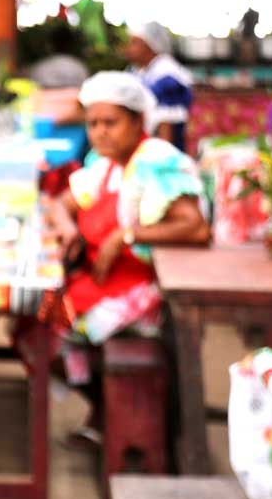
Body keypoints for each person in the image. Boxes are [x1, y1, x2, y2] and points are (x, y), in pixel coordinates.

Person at [31, 71, 209, 444]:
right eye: (93, 123)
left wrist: (127, 235)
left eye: (110, 122)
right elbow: (60, 203)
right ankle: (106, 411)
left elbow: (195, 227)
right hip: (100, 282)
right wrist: (69, 228)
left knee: (54, 328)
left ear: (138, 121)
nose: (100, 132)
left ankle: (111, 416)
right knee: (33, 326)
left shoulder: (157, 161)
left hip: (142, 287)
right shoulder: (104, 164)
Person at [124, 22, 194, 152]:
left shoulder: (167, 75)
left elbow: (167, 121)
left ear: (151, 45)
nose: (128, 48)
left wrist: (162, 157)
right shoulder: (138, 71)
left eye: (135, 43)